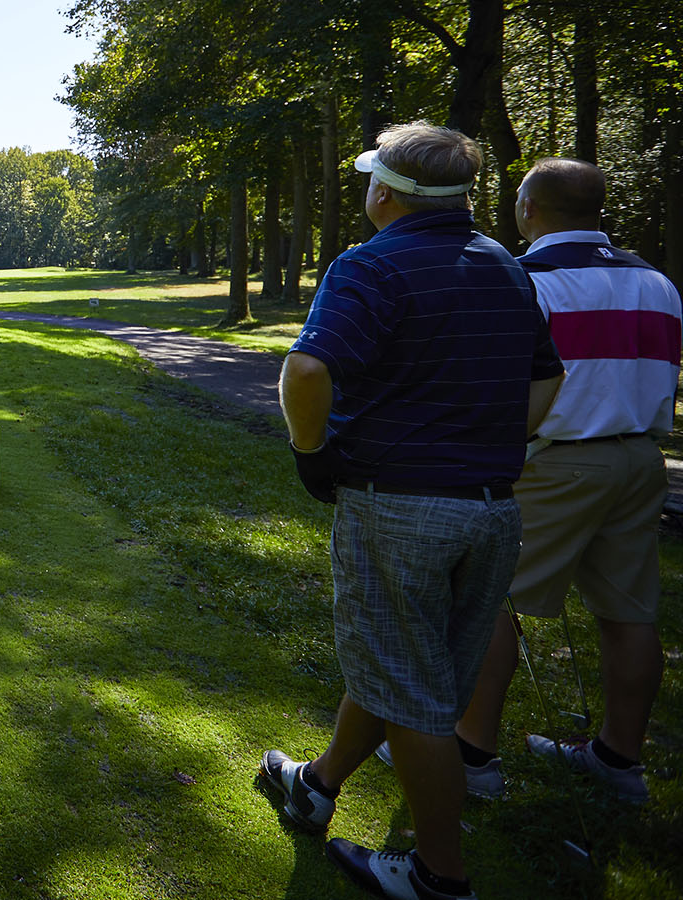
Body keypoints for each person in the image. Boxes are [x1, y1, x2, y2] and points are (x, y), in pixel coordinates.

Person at [263, 122, 565, 900]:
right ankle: (319, 783)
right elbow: (544, 381)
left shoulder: (371, 264)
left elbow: (306, 370)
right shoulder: (504, 263)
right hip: (493, 510)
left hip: (398, 506)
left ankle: (439, 874)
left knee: (416, 695)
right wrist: (487, 440)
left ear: (386, 194)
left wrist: (312, 454)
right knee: (413, 669)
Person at [443, 158, 680, 805]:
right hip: (638, 459)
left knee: (484, 601)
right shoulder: (657, 283)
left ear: (529, 209)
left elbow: (502, 384)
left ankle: (471, 757)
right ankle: (618, 761)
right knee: (628, 613)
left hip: (556, 460)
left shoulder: (527, 281)